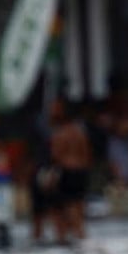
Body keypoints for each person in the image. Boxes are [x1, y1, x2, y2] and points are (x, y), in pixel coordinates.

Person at [49, 98, 92, 242]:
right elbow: (86, 153)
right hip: (81, 170)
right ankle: (80, 233)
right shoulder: (79, 132)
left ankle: (64, 235)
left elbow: (56, 155)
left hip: (67, 170)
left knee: (65, 205)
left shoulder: (59, 134)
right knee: (78, 204)